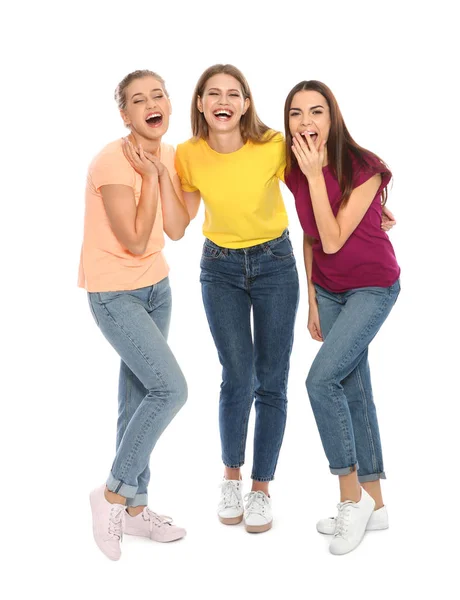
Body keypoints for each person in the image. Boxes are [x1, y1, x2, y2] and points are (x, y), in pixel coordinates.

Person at [175, 64, 300, 533]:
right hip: (220, 268)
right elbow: (177, 223)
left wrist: (370, 203)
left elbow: (312, 188)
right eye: (213, 93)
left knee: (272, 378)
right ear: (202, 104)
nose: (223, 100)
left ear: (246, 103)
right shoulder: (186, 155)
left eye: (233, 93)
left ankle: (261, 489)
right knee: (237, 375)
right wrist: (157, 178)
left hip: (275, 265)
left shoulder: (272, 145)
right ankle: (231, 476)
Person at [284, 80, 401, 555]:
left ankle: (350, 498)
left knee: (319, 382)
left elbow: (334, 239)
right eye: (296, 113)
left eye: (316, 111)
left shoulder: (364, 166)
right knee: (352, 387)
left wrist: (316, 178)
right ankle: (375, 504)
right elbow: (312, 238)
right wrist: (312, 300)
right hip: (329, 292)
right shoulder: (294, 170)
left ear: (333, 117)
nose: (306, 122)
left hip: (373, 286)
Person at [79, 70, 189, 560]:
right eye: (138, 100)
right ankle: (111, 496)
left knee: (140, 396)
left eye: (158, 94)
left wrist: (163, 175)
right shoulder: (111, 161)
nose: (152, 103)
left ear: (168, 102)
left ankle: (138, 511)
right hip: (114, 294)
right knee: (172, 389)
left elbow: (177, 229)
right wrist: (147, 177)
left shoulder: (168, 154)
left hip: (156, 288)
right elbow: (136, 240)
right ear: (125, 114)